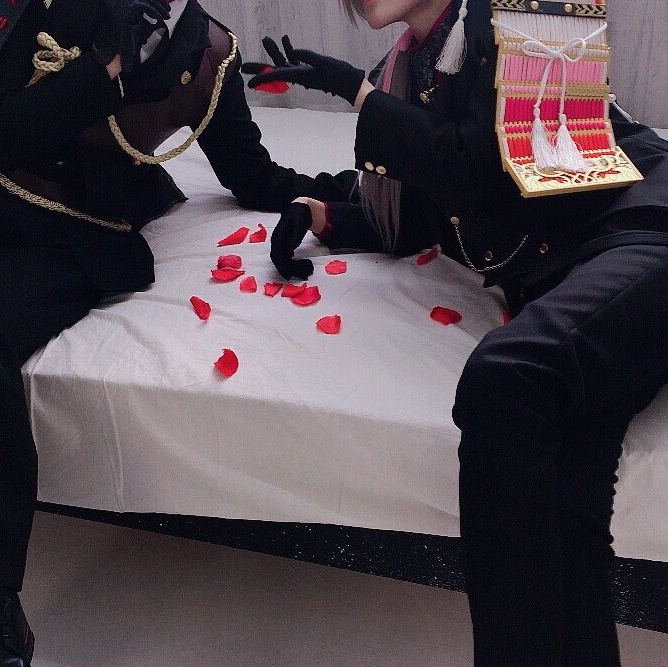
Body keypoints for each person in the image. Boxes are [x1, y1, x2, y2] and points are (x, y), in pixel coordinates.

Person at [243, 0, 668, 664]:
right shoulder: (407, 73)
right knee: (567, 505)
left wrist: (358, 95)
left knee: (507, 375)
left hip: (643, 228)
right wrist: (324, 215)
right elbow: (438, 210)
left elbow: (497, 177)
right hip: (574, 278)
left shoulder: (536, 18)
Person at [0, 1, 354, 665]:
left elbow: (253, 176)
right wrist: (103, 70)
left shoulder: (205, 50)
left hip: (69, 237)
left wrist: (356, 197)